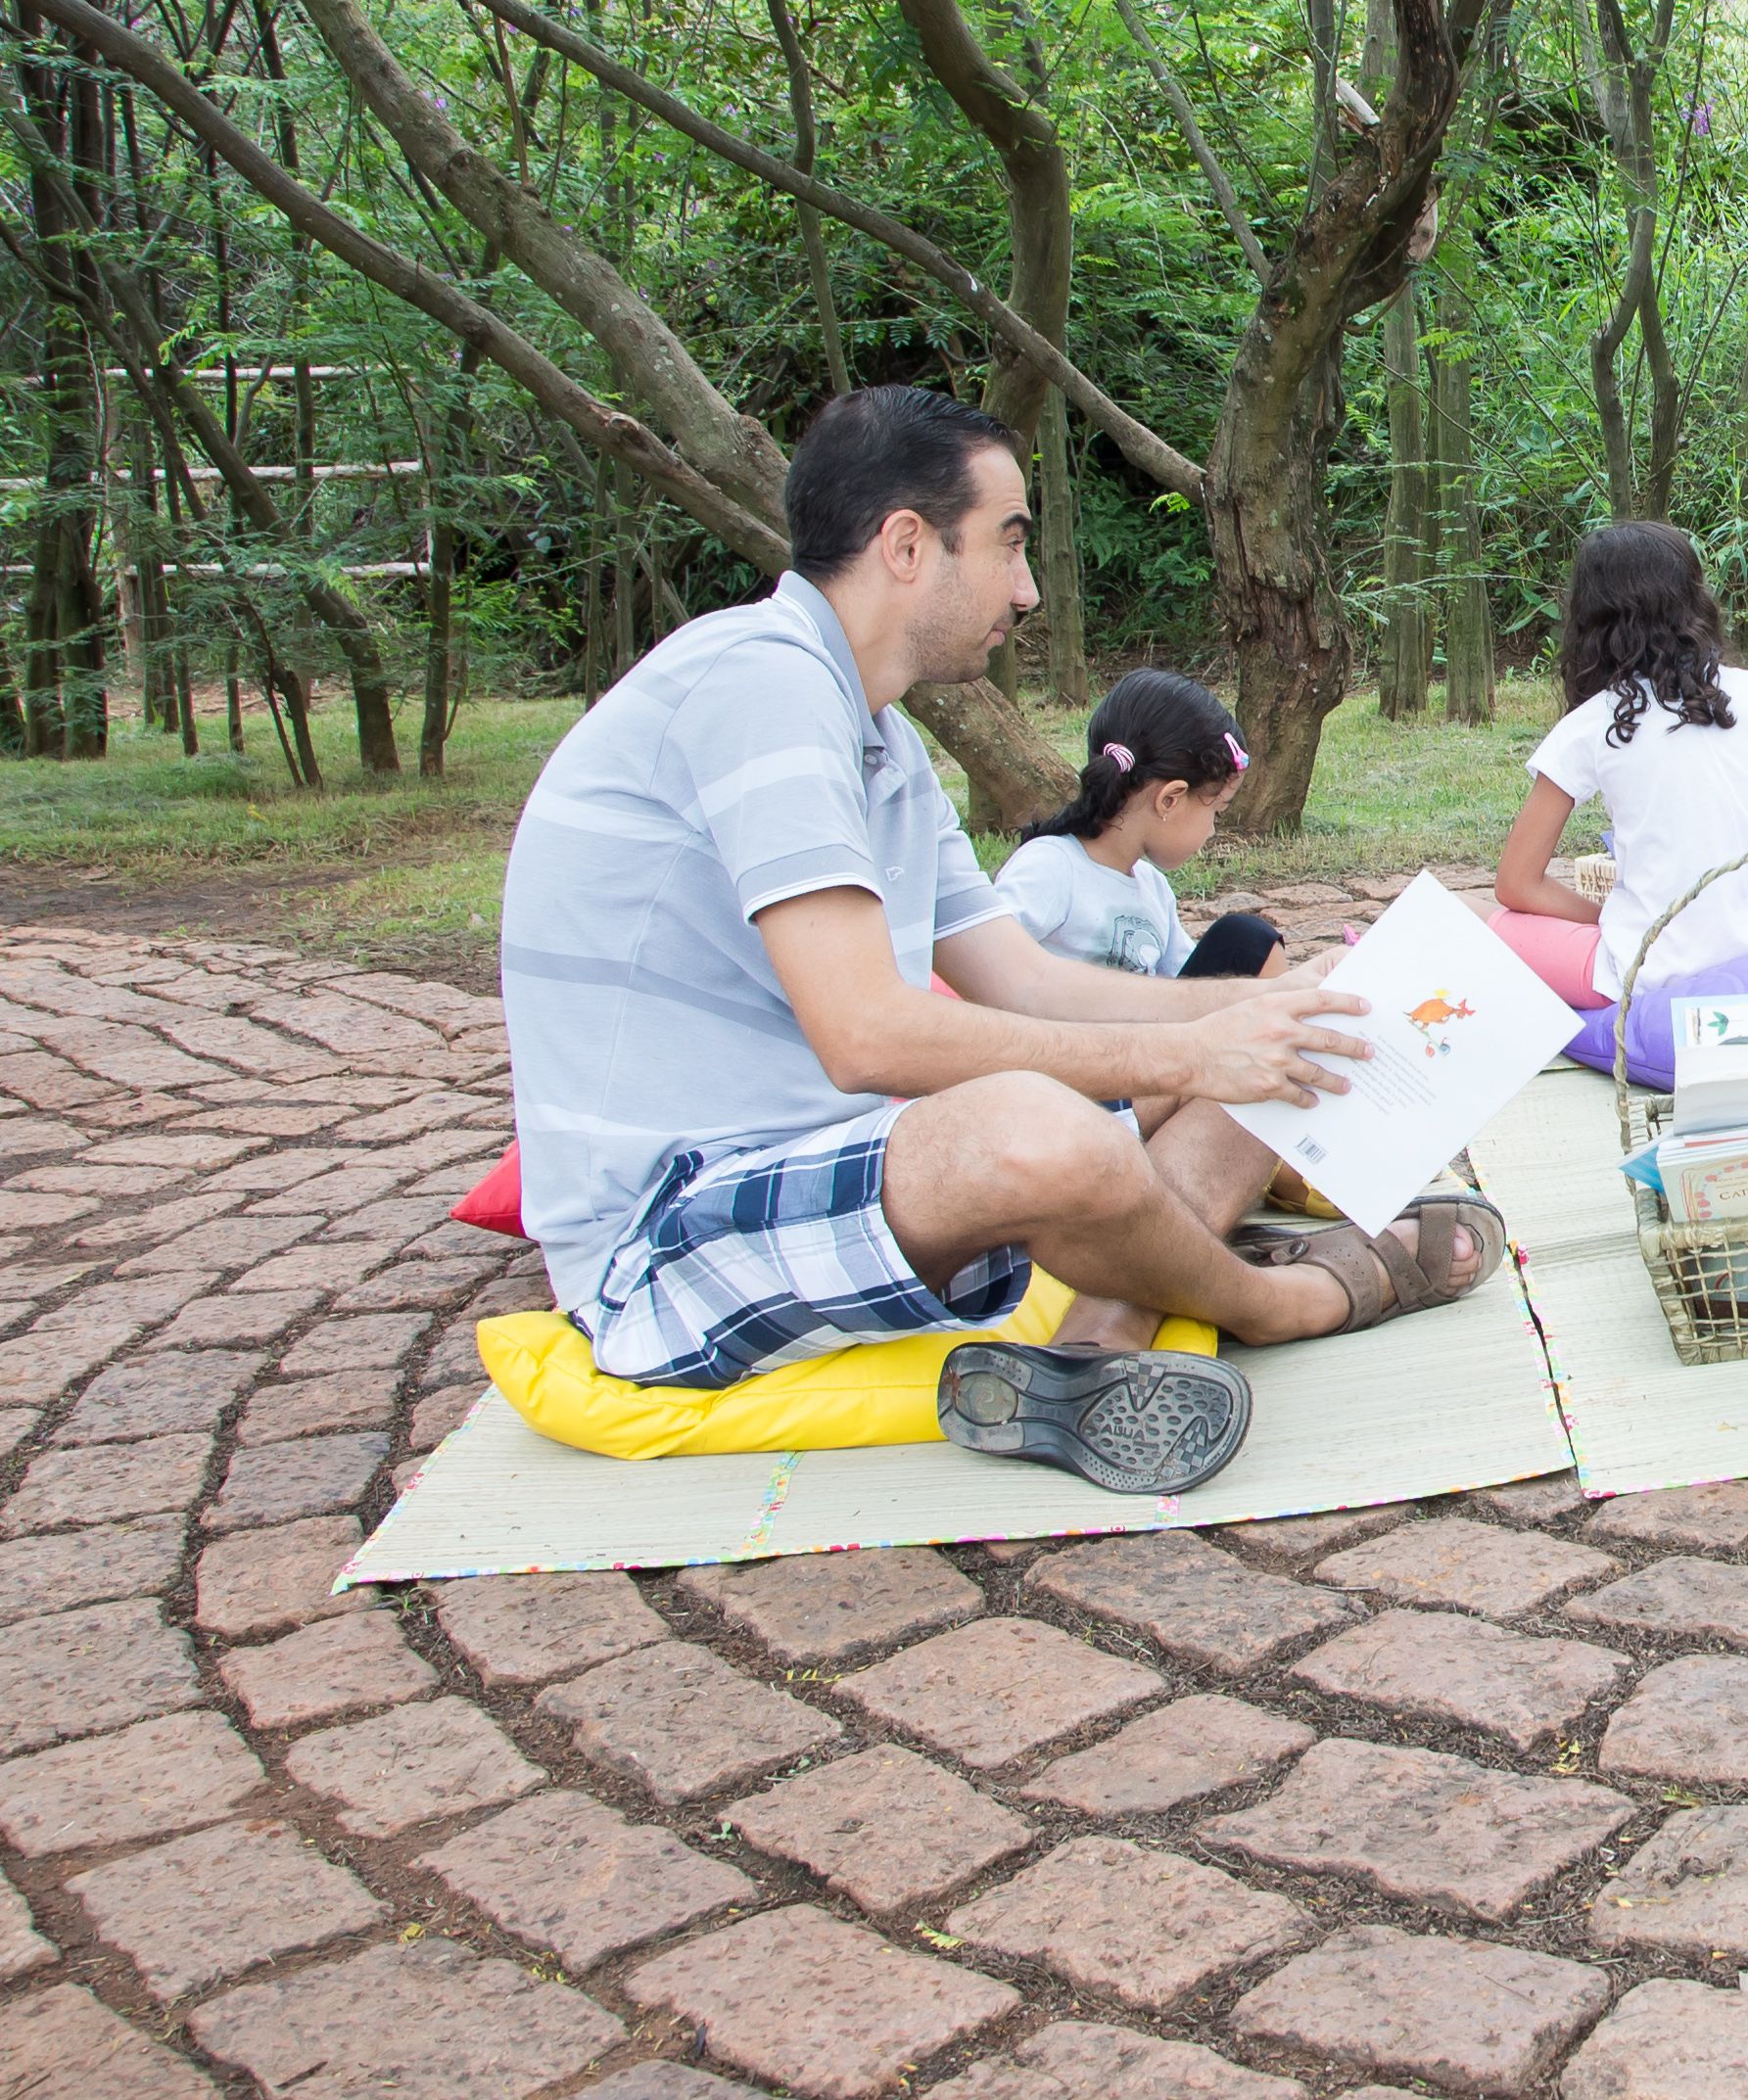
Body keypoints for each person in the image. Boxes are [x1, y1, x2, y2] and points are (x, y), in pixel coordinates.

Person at [498, 385, 1501, 1500]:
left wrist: (1263, 1007)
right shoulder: (758, 682)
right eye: (1009, 545)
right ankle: (1277, 1304)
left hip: (846, 1166)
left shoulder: (882, 743)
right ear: (907, 545)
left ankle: (1095, 1342)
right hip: (672, 1232)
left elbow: (1023, 979)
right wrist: (1185, 1051)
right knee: (1042, 1123)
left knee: (1268, 1061)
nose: (1026, 591)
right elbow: (866, 1036)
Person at [1491, 522, 1748, 1009]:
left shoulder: (1592, 723)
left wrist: (1606, 919)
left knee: (1472, 913)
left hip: (1658, 973)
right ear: (1696, 601)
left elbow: (1516, 884)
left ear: (1590, 620)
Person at [997, 669, 1294, 980]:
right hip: (1067, 1012)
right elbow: (983, 961)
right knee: (1244, 936)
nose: (1212, 831)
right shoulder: (1050, 866)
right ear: (1170, 799)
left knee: (1248, 942)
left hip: (1151, 1011)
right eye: (1216, 812)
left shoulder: (1153, 888)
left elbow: (1185, 986)